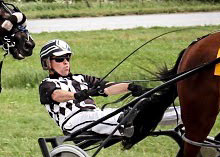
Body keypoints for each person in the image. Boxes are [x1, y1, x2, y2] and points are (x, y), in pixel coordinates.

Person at [37, 39, 179, 138]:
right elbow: (57, 95)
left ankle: (181, 114)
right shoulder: (46, 84)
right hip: (73, 121)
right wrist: (79, 94)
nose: (66, 62)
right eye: (60, 59)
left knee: (133, 111)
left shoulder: (81, 78)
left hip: (95, 116)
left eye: (67, 58)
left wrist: (131, 87)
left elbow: (107, 87)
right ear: (47, 63)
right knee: (103, 116)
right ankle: (125, 123)